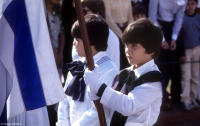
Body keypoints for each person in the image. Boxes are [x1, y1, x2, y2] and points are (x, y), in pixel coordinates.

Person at [85, 18, 163, 126]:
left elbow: (129, 106)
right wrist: (94, 92)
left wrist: (99, 87)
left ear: (151, 50)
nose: (127, 50)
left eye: (134, 47)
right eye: (126, 45)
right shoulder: (123, 74)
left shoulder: (153, 79)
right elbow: (111, 108)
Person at [56, 14, 118, 126]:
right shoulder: (76, 66)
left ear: (91, 43)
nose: (74, 43)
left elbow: (101, 110)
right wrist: (62, 123)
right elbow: (64, 100)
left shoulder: (109, 70)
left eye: (77, 40)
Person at [149, 0, 186, 109]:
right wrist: (162, 39)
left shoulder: (182, 2)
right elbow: (152, 18)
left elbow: (179, 18)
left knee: (174, 67)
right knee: (161, 68)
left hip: (174, 28)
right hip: (157, 29)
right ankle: (162, 100)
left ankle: (175, 98)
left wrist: (174, 38)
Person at [72, 0, 120, 70]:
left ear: (97, 13)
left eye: (84, 11)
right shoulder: (80, 33)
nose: (81, 14)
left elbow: (111, 65)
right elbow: (75, 58)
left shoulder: (110, 36)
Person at [178, 0, 200, 111]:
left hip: (197, 49)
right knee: (186, 76)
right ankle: (186, 100)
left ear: (196, 5)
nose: (190, 6)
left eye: (193, 4)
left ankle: (193, 98)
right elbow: (179, 36)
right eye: (188, 4)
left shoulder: (198, 17)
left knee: (195, 75)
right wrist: (181, 53)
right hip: (185, 51)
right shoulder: (181, 17)